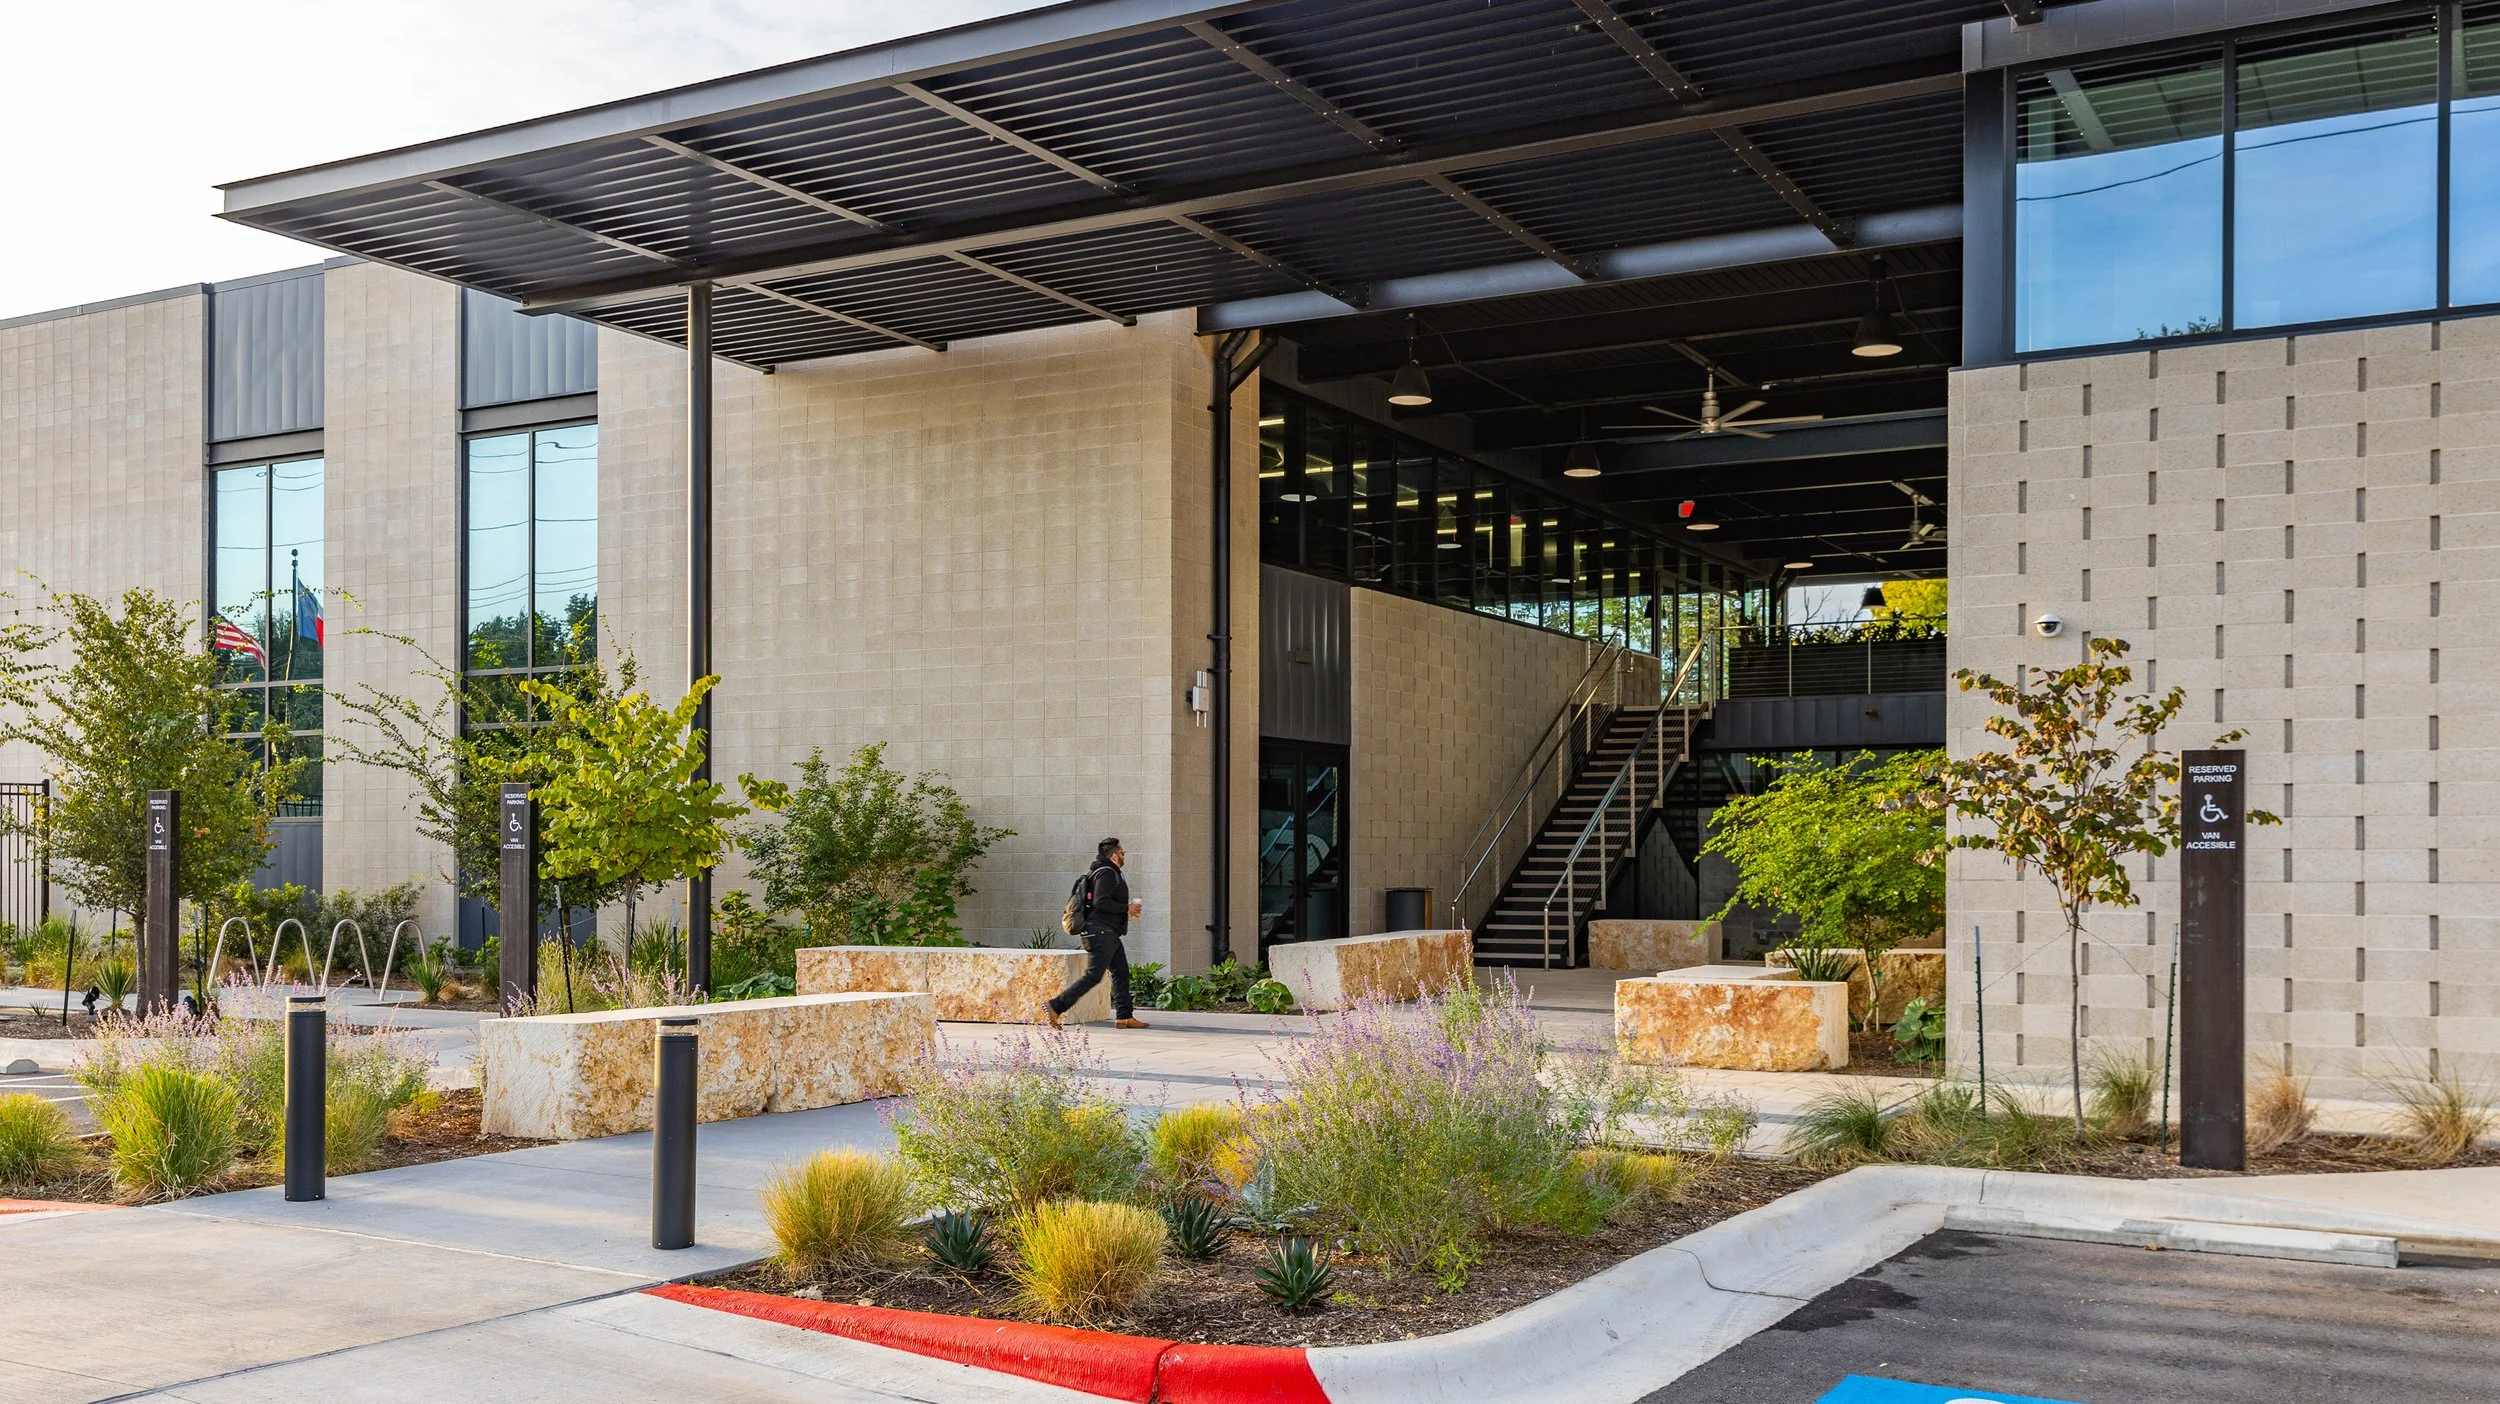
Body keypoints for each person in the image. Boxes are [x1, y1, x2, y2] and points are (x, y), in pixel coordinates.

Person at [1046, 837, 1149, 1029]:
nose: (1124, 856)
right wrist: (1126, 908)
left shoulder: (1105, 872)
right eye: (1122, 853)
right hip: (1100, 932)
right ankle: (1055, 1006)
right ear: (1114, 855)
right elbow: (1100, 901)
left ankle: (1124, 1016)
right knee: (1094, 975)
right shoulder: (1107, 873)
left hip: (1108, 932)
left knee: (1121, 972)